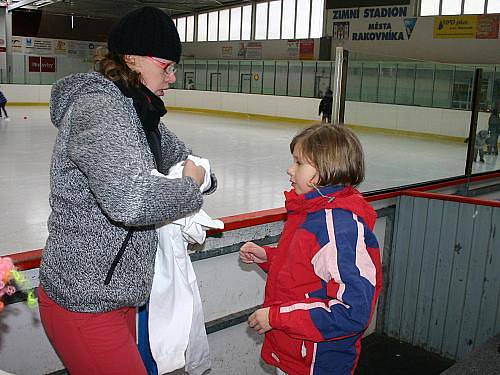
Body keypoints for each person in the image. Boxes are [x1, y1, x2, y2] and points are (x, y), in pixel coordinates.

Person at [38, 7, 215, 375]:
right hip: (85, 298)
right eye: (166, 66)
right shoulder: (100, 108)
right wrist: (192, 184)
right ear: (132, 58)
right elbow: (131, 201)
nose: (173, 77)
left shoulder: (140, 112)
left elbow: (185, 156)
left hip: (120, 293)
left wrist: (202, 176)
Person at [240, 124, 382, 375]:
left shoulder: (338, 226)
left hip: (317, 363)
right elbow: (306, 268)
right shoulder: (310, 212)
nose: (290, 169)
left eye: (299, 163)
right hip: (295, 353)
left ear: (324, 170)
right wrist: (268, 257)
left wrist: (276, 318)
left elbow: (352, 310)